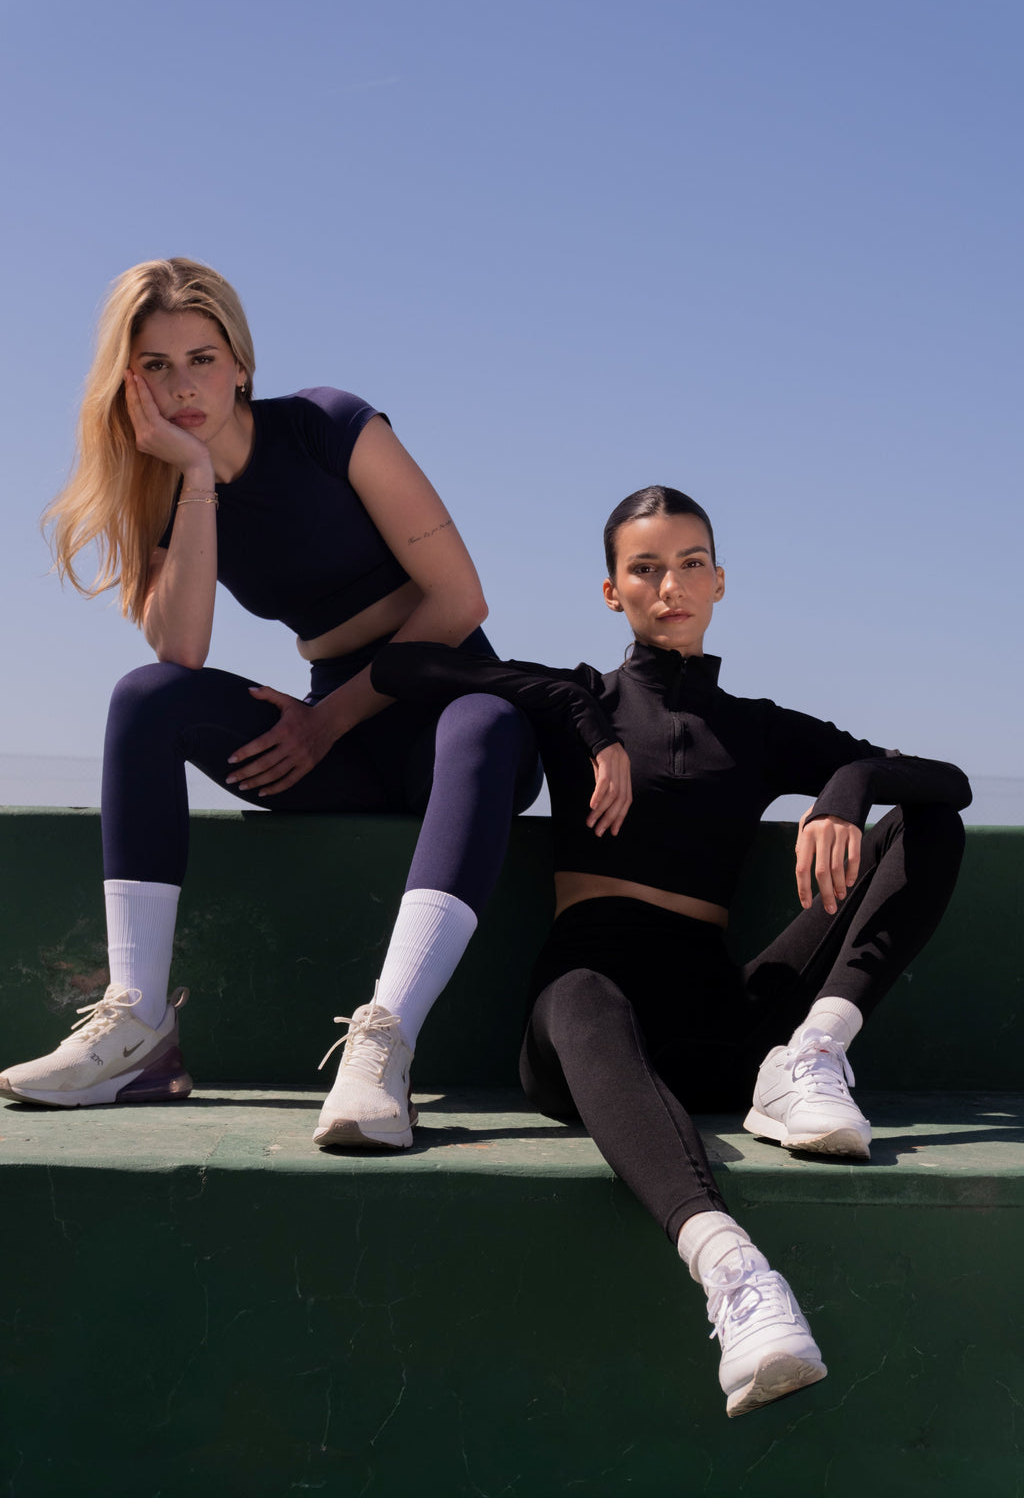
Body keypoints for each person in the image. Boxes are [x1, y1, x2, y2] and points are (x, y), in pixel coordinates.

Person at [367, 485, 970, 1416]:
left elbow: (948, 783)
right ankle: (735, 1278)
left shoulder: (760, 728)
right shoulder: (583, 700)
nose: (669, 585)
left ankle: (810, 1057)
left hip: (722, 1023)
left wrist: (846, 787)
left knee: (928, 825)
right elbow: (408, 670)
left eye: (691, 564)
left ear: (721, 581)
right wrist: (578, 713)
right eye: (645, 568)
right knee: (579, 998)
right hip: (590, 1011)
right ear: (613, 591)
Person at [0, 257, 541, 1147]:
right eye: (157, 367)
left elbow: (459, 600)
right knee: (144, 698)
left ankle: (384, 1044)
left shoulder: (329, 425)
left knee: (488, 719)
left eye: (202, 359)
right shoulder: (161, 483)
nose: (184, 388)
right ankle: (139, 1028)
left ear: (242, 362)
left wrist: (326, 720)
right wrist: (195, 478)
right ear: (127, 380)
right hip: (344, 747)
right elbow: (181, 655)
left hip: (451, 715)